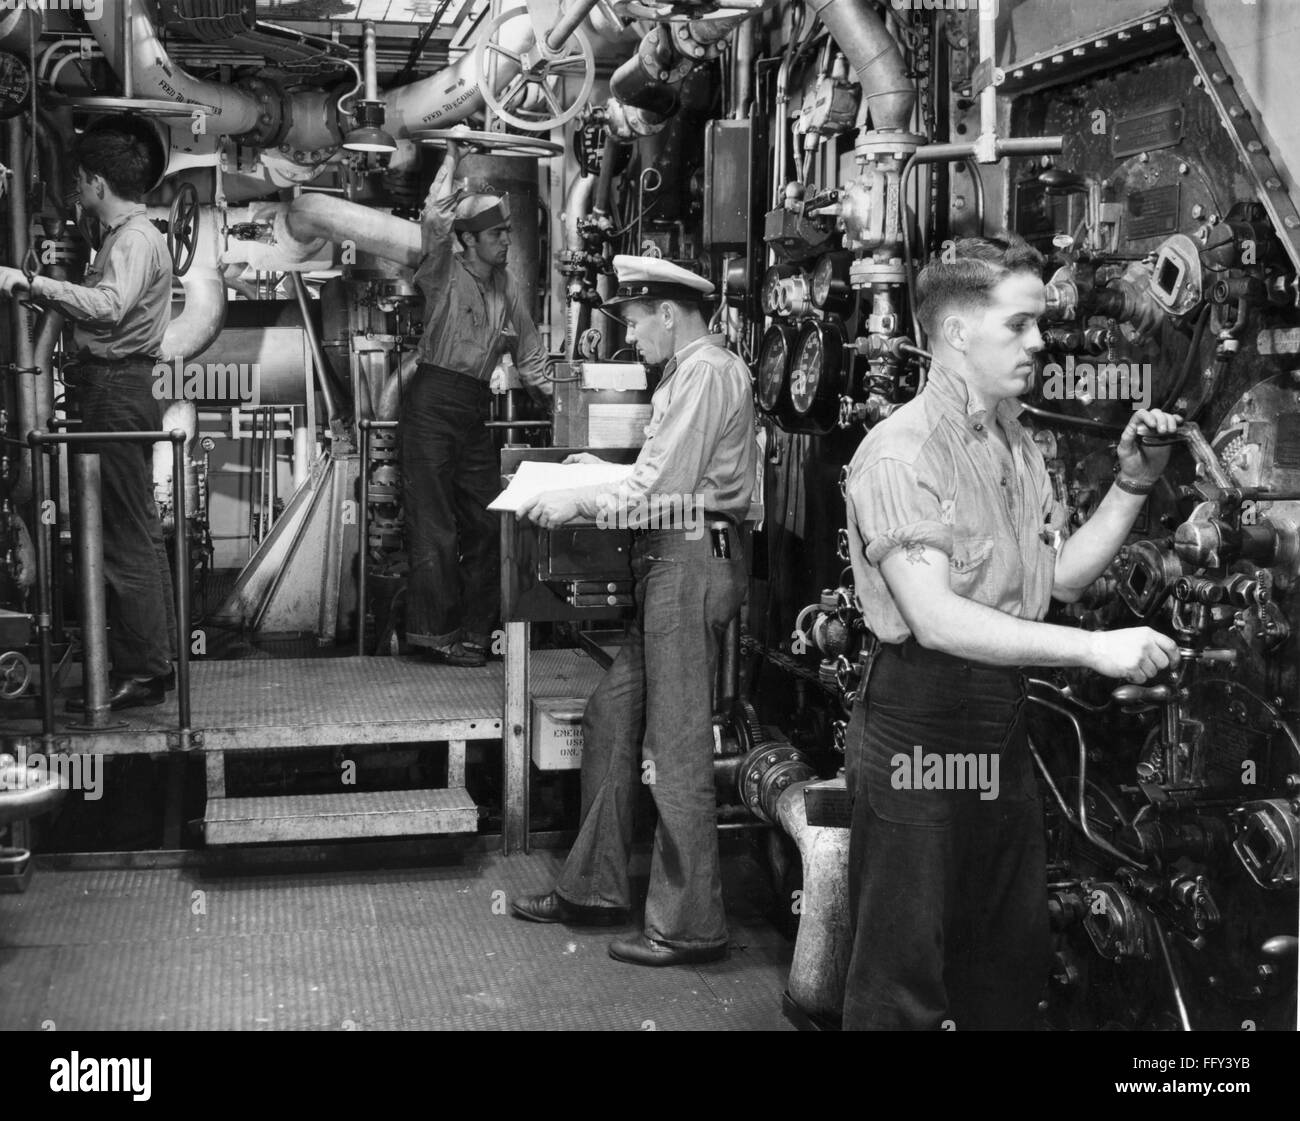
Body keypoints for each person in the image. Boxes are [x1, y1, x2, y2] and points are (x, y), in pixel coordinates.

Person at [840, 234, 1182, 1029]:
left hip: (998, 721)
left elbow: (1054, 579)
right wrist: (1093, 648)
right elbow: (936, 617)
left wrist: (1135, 481)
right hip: (923, 725)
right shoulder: (900, 453)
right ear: (958, 334)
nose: (1039, 343)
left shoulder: (1013, 443)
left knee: (1003, 960)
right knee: (903, 973)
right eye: (1020, 326)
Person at [509, 255, 756, 967]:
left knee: (672, 746)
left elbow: (667, 490)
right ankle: (594, 886)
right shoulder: (689, 373)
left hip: (687, 558)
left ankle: (688, 925)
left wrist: (577, 499)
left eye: (637, 321)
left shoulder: (705, 371)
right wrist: (601, 473)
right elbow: (667, 473)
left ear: (669, 315)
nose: (632, 337)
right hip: (672, 558)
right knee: (610, 716)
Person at [0, 122, 175, 711]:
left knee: (125, 536)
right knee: (133, 533)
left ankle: (146, 671)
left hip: (117, 388)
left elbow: (107, 306)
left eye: (79, 181)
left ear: (98, 182)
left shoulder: (134, 240)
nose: (76, 189)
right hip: (115, 386)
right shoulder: (127, 235)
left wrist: (30, 282)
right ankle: (146, 664)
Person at [403, 139, 552, 668]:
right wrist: (453, 159)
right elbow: (433, 219)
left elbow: (532, 358)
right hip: (431, 401)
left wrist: (571, 405)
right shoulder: (444, 271)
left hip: (470, 409)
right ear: (467, 241)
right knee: (434, 526)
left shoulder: (508, 286)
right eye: (497, 233)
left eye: (509, 231)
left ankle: (473, 632)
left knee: (490, 523)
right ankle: (434, 635)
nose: (508, 240)